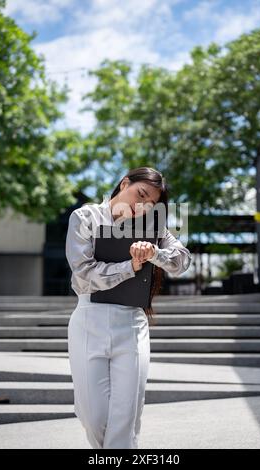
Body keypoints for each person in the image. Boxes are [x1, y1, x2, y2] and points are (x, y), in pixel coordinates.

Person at [65, 166, 192, 449]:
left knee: (126, 417)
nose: (141, 206)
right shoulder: (85, 217)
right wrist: (130, 266)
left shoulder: (152, 229)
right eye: (140, 194)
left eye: (150, 204)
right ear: (125, 183)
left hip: (132, 324)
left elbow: (183, 260)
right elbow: (83, 273)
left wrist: (154, 253)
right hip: (89, 320)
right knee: (93, 416)